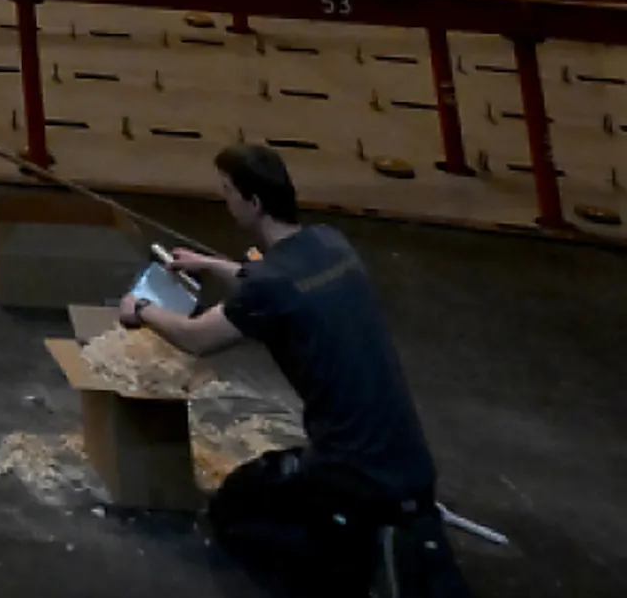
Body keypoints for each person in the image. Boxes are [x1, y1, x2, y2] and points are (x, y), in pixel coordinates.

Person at [121, 145, 467, 598]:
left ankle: (352, 559)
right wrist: (210, 266)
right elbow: (277, 281)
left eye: (228, 192)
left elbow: (197, 337)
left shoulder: (269, 286)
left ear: (254, 202)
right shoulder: (328, 243)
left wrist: (141, 309)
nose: (225, 201)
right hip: (408, 464)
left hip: (352, 474)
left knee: (234, 510)